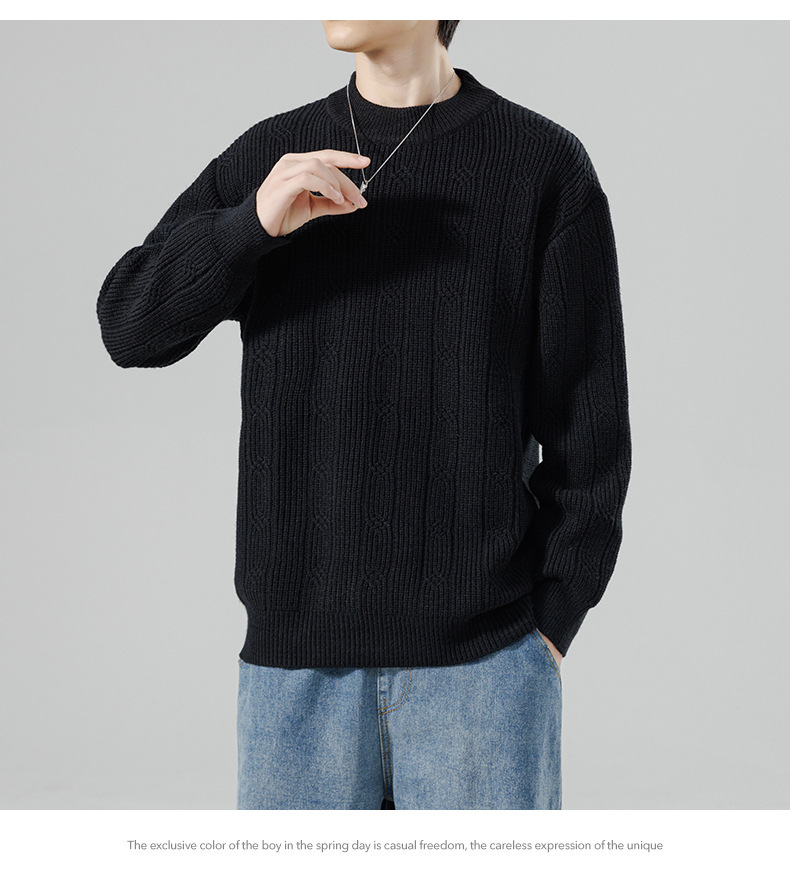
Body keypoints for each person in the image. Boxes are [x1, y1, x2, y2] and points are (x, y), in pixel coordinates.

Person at [96, 20, 631, 810]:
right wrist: (250, 227)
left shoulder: (542, 165)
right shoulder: (272, 157)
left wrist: (552, 622)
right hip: (294, 677)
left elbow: (590, 428)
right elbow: (129, 325)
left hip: (484, 673)